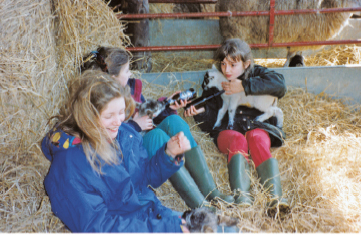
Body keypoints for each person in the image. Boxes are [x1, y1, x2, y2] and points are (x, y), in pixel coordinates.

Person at [81, 47, 235, 209]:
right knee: (158, 137)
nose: (130, 74)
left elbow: (146, 110)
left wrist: (167, 104)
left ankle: (212, 193)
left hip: (138, 142)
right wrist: (135, 125)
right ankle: (201, 206)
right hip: (126, 159)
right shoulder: (99, 102)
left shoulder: (128, 89)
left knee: (175, 121)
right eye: (127, 71)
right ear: (113, 78)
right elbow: (109, 143)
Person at [41, 70, 193, 232]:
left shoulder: (122, 135)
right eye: (109, 116)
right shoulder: (70, 167)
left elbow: (142, 179)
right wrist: (166, 228)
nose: (119, 121)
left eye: (121, 113)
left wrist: (168, 155)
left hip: (152, 216)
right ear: (87, 116)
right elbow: (100, 227)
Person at [184, 39, 290, 215]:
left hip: (257, 125)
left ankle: (275, 198)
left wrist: (244, 86)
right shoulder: (216, 78)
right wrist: (200, 111)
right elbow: (211, 121)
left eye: (233, 65)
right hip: (228, 130)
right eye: (224, 64)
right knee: (238, 139)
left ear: (246, 64)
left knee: (256, 138)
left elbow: (280, 85)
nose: (227, 70)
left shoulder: (256, 73)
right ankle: (242, 197)